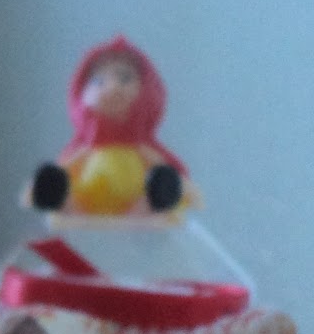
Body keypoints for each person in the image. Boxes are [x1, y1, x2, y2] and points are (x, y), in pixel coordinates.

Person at [27, 36, 192, 217]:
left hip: (137, 208)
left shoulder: (142, 148)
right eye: (99, 81)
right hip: (87, 205)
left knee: (160, 185)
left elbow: (168, 169)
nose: (112, 88)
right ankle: (68, 205)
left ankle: (147, 207)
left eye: (125, 78)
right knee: (64, 190)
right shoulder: (86, 149)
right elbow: (68, 165)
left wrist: (174, 181)